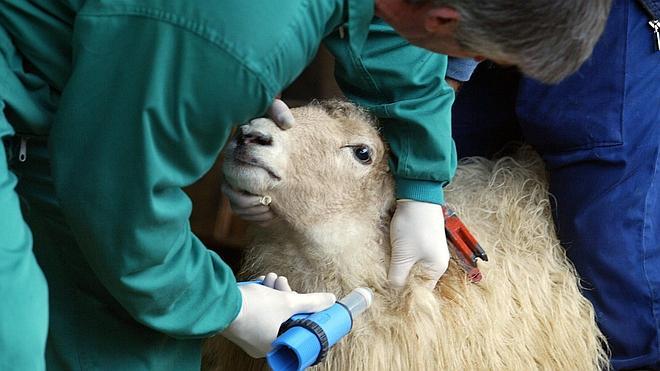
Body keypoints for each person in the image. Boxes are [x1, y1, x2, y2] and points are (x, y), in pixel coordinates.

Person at [0, 0, 610, 369]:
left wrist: (423, 185)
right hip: (34, 102)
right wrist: (228, 306)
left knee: (141, 343)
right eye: (471, 53)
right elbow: (118, 198)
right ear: (446, 19)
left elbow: (387, 32)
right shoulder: (236, 37)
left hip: (91, 107)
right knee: (13, 339)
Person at [449, 0, 660, 368]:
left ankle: (633, 361)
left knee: (606, 229)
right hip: (478, 13)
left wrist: (455, 63)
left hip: (602, 14)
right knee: (452, 164)